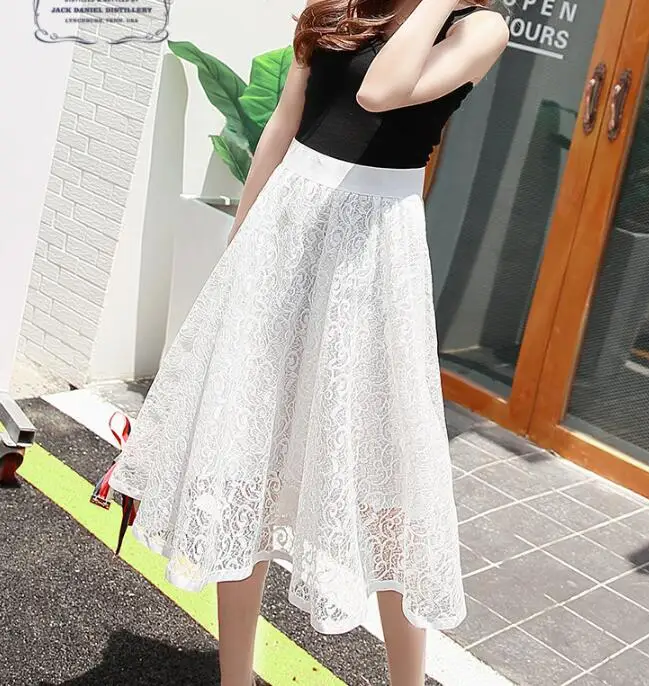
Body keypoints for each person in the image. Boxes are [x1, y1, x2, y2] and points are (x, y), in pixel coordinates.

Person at [108, 1, 509, 684]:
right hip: (285, 232)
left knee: (389, 491)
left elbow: (381, 92)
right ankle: (236, 676)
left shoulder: (476, 28)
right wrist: (240, 249)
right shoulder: (341, 7)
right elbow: (283, 126)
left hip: (373, 256)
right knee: (247, 466)